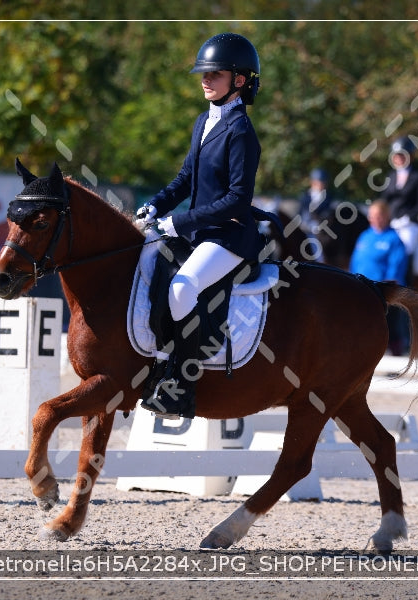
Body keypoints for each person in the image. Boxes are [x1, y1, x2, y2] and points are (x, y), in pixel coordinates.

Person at [134, 32, 262, 419]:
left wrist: (181, 220)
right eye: (203, 74)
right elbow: (186, 177)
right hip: (197, 231)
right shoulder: (203, 121)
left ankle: (180, 384)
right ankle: (156, 363)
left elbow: (238, 199)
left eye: (215, 74)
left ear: (239, 80)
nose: (205, 80)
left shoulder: (241, 131)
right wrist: (157, 204)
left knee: (181, 289)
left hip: (228, 236)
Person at [349, 200, 409, 355]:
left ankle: (396, 359)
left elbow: (396, 265)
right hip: (362, 290)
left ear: (386, 217)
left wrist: (389, 287)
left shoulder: (393, 239)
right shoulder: (364, 236)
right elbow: (356, 261)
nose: (375, 219)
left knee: (389, 328)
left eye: (378, 216)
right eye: (372, 216)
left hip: (382, 292)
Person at [379, 137, 418, 256]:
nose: (399, 158)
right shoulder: (390, 176)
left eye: (402, 155)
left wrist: (408, 218)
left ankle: (408, 275)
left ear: (410, 156)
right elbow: (384, 200)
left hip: (408, 225)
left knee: (406, 250)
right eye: (396, 156)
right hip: (391, 222)